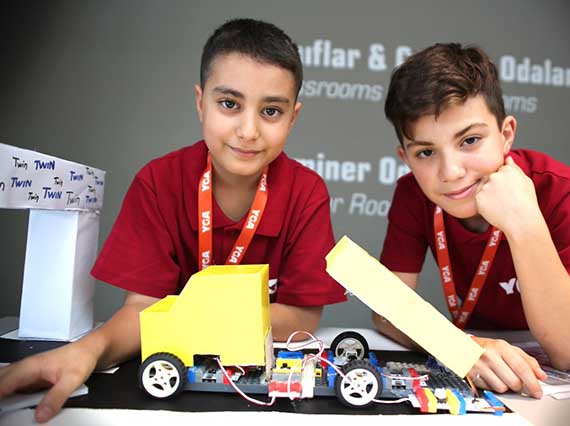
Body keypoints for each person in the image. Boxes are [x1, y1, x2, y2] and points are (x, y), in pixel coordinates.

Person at [0, 18, 346, 423]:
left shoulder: (306, 192)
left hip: (259, 394)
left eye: (271, 111)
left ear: (293, 117)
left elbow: (301, 319)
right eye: (229, 104)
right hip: (171, 390)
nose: (248, 130)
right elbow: (142, 311)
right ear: (200, 102)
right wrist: (89, 350)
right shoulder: (158, 182)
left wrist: (181, 319)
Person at [373, 43, 570, 399]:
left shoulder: (561, 189)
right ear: (405, 158)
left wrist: (524, 221)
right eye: (425, 152)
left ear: (506, 135)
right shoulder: (413, 194)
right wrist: (456, 346)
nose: (451, 172)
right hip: (487, 364)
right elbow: (386, 308)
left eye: (470, 140)